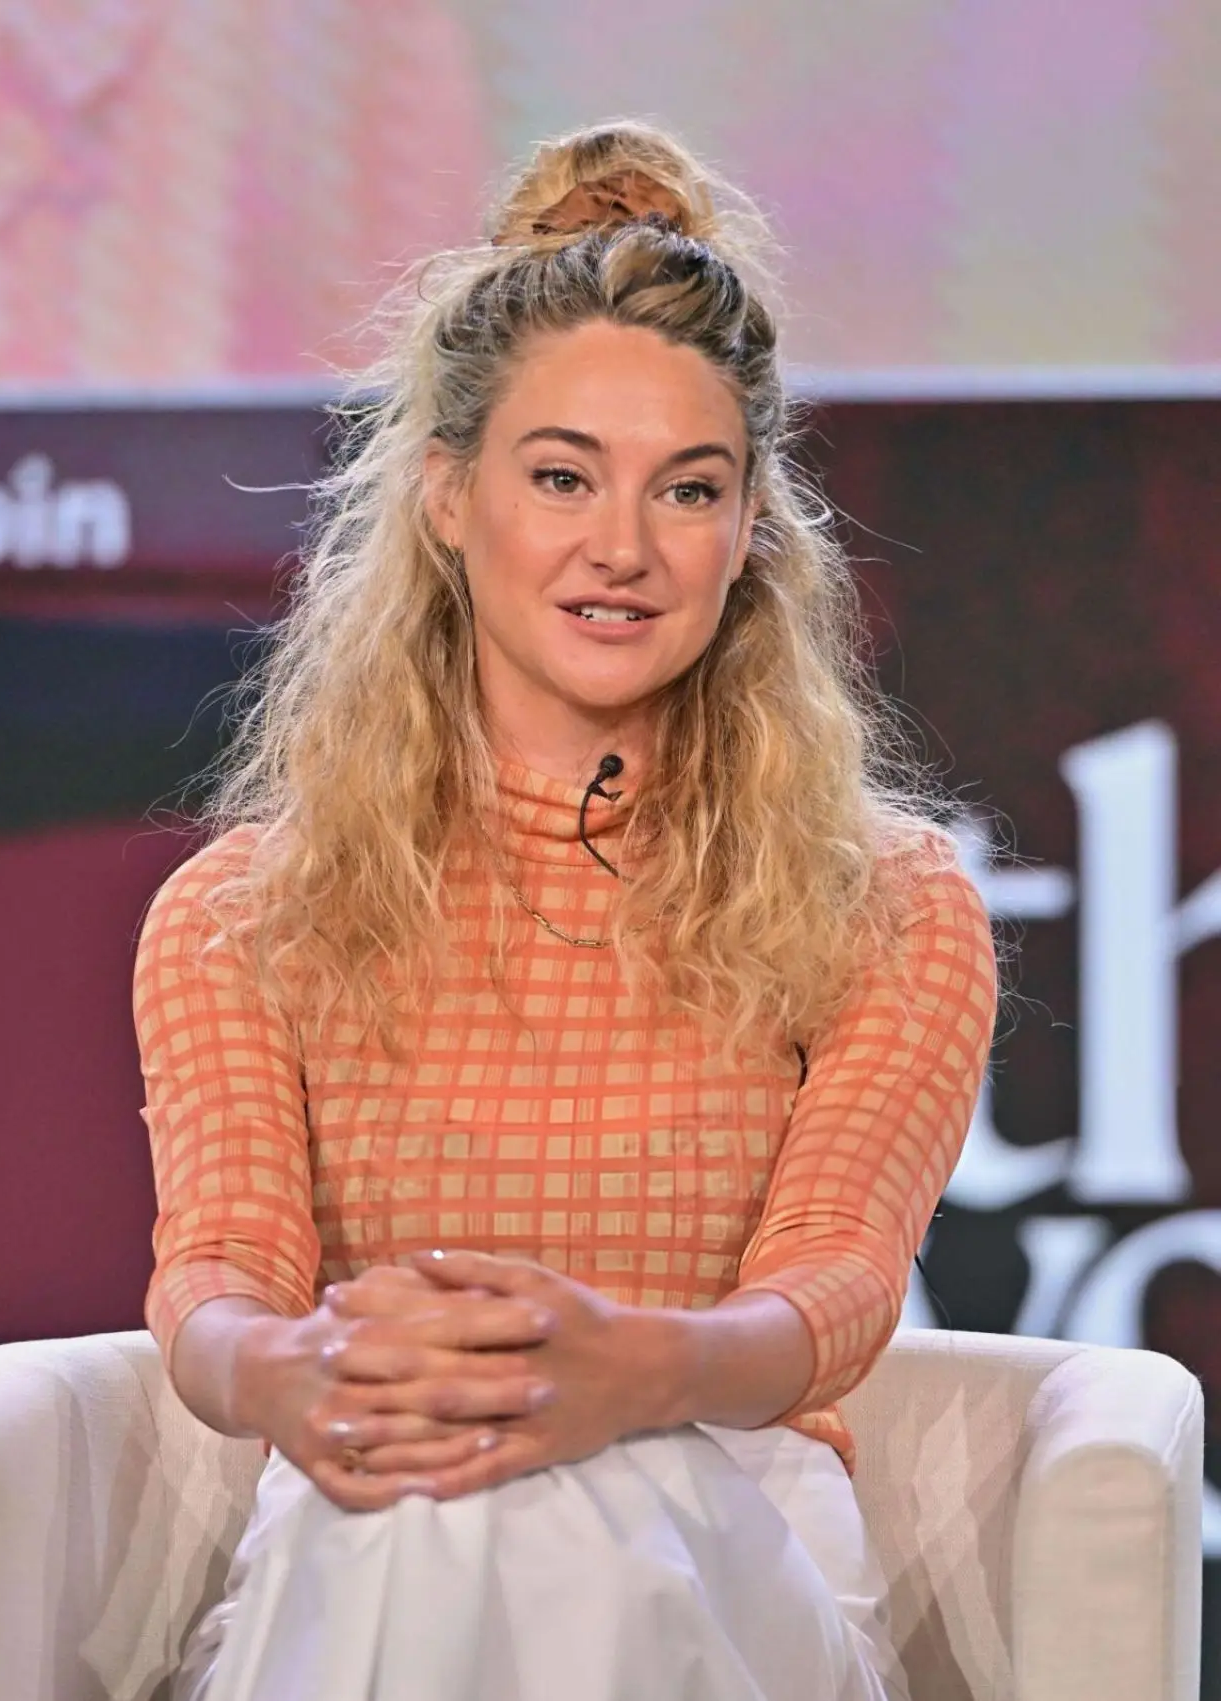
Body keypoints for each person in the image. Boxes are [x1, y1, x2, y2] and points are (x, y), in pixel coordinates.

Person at [135, 121, 997, 1701]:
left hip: (736, 1531)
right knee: (445, 1510)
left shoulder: (884, 906)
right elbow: (220, 1275)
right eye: (561, 477)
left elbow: (835, 1283)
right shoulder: (243, 914)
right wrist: (298, 1370)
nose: (623, 547)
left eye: (688, 488)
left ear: (749, 535)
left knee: (543, 1514)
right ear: (451, 501)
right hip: (368, 1514)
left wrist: (628, 1371)